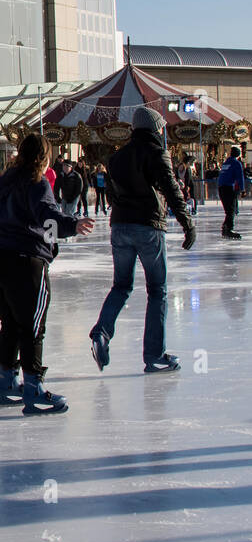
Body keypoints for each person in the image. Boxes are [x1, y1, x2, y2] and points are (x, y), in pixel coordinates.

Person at [0, 132, 95, 414]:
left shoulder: (5, 179)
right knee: (32, 327)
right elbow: (47, 218)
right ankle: (34, 388)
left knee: (9, 324)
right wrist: (72, 225)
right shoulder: (36, 181)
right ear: (43, 157)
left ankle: (7, 383)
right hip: (23, 260)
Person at [89, 107, 196, 375]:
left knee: (121, 286)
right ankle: (154, 355)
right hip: (148, 227)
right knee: (157, 290)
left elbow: (112, 195)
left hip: (120, 226)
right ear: (154, 128)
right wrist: (187, 223)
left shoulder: (117, 158)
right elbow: (171, 188)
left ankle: (102, 332)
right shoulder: (157, 152)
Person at [218, 145, 245, 238]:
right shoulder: (236, 163)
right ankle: (229, 229)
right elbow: (240, 177)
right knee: (231, 210)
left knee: (228, 210)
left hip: (221, 187)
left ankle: (225, 227)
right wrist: (242, 189)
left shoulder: (226, 163)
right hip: (228, 188)